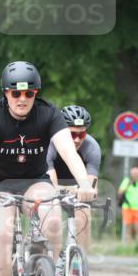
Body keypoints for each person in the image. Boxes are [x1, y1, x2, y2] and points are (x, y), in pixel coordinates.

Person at [0, 61, 95, 276]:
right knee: (3, 234)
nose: (22, 99)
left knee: (52, 222)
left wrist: (85, 183)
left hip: (34, 181)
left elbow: (69, 152)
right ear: (5, 94)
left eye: (29, 93)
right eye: (15, 94)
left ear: (36, 94)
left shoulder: (49, 113)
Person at [46, 104, 101, 257]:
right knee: (51, 211)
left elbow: (90, 185)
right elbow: (51, 185)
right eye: (72, 135)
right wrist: (71, 189)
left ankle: (80, 259)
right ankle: (49, 258)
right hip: (49, 182)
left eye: (81, 134)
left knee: (84, 209)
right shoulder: (49, 145)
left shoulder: (92, 147)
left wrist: (89, 191)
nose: (77, 139)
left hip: (76, 185)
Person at [118, 166, 138, 242]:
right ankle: (128, 247)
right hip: (127, 208)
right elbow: (120, 193)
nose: (135, 175)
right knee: (128, 228)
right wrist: (129, 184)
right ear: (131, 174)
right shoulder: (126, 181)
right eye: (134, 173)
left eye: (137, 173)